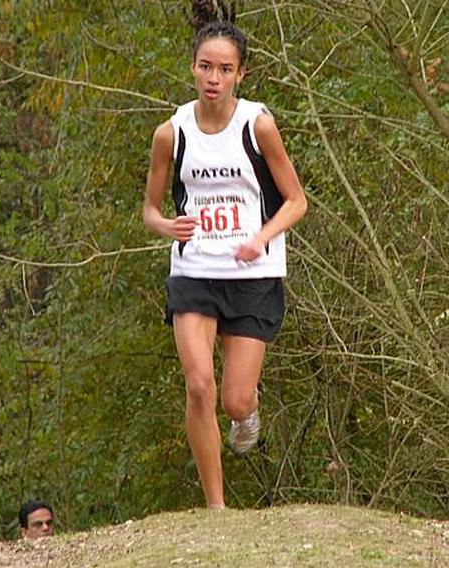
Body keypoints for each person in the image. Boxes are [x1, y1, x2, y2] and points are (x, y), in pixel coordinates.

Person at [142, 16, 307, 510]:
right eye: (206, 67)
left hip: (252, 274)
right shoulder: (171, 134)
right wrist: (165, 226)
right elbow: (150, 209)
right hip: (194, 271)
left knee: (234, 398)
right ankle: (216, 507)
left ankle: (245, 414)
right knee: (198, 384)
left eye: (225, 69)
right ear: (193, 68)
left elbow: (296, 201)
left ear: (241, 75)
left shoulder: (258, 125)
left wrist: (261, 237)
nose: (214, 78)